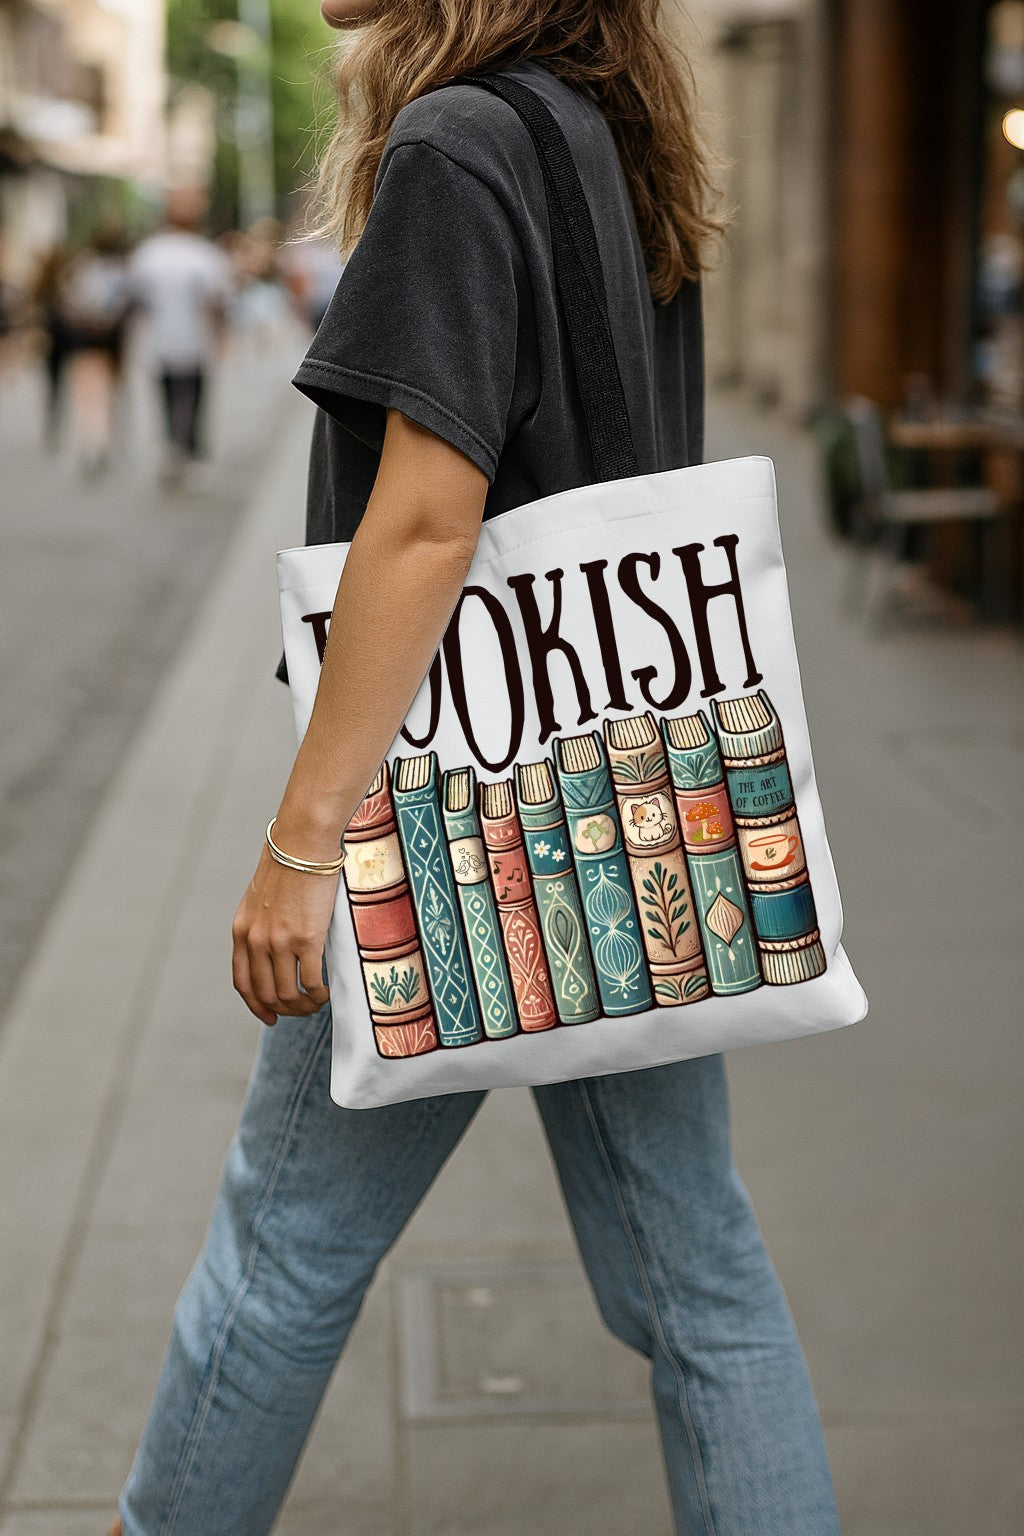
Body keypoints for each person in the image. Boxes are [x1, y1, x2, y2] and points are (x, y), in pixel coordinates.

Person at [111, 3, 841, 1533]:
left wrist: (303, 845)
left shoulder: (455, 146)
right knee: (700, 1282)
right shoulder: (612, 128)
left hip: (464, 819)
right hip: (629, 806)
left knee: (284, 1250)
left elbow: (430, 517)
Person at [128, 189, 232, 483]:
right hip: (187, 342)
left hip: (166, 342)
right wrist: (222, 338)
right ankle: (185, 450)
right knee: (191, 397)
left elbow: (136, 302)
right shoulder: (204, 254)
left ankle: (178, 447)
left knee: (171, 395)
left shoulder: (149, 253)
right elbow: (217, 303)